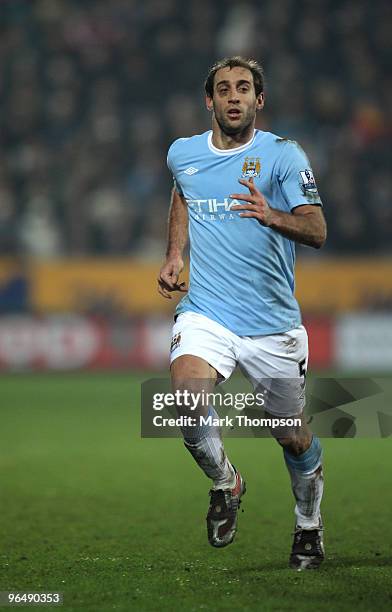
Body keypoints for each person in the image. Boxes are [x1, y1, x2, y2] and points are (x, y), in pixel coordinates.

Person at [158, 56, 327, 570]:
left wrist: (270, 214)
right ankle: (226, 481)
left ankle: (308, 526)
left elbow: (317, 230)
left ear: (259, 100)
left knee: (290, 433)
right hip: (207, 312)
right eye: (225, 89)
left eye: (245, 89)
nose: (235, 96)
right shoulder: (183, 153)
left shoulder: (283, 156)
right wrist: (174, 254)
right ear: (209, 101)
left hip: (272, 325)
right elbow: (184, 193)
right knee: (185, 397)